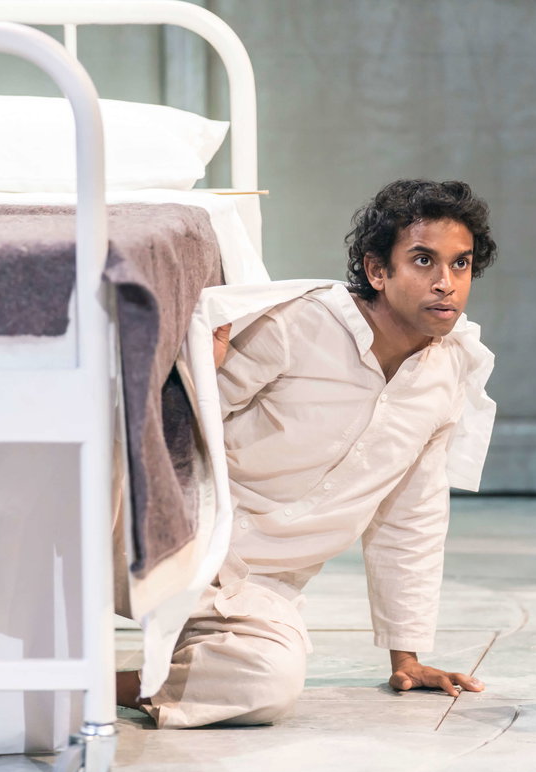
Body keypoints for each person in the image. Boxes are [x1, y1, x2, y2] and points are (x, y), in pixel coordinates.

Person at [117, 178, 498, 728]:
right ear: (377, 270)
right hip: (175, 532)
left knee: (267, 683)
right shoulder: (298, 323)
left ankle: (110, 686)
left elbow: (410, 517)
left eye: (460, 264)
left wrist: (406, 656)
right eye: (423, 260)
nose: (446, 282)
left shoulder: (447, 374)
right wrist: (203, 374)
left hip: (259, 587)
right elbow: (173, 426)